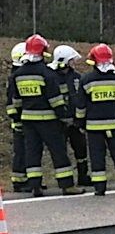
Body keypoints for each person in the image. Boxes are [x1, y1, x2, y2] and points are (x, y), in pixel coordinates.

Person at [6, 34, 82, 196]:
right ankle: (67, 185)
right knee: (58, 151)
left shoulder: (18, 75)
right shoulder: (47, 73)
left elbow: (16, 101)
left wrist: (19, 117)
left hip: (28, 121)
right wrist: (64, 117)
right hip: (48, 121)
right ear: (43, 52)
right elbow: (55, 99)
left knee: (32, 153)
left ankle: (35, 186)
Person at [75, 44, 115, 196]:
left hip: (93, 128)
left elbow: (80, 106)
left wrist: (80, 123)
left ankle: (99, 187)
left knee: (97, 157)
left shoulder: (86, 80)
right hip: (114, 126)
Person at [50, 45, 89, 188]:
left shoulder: (77, 77)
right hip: (58, 121)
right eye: (71, 60)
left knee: (81, 149)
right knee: (61, 150)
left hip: (75, 121)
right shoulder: (52, 77)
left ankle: (83, 176)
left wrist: (80, 119)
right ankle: (65, 181)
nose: (74, 63)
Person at [7, 43, 28, 192]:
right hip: (20, 120)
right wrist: (17, 118)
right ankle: (19, 181)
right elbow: (11, 102)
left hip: (20, 119)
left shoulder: (15, 74)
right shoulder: (16, 76)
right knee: (21, 151)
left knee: (25, 150)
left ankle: (24, 179)